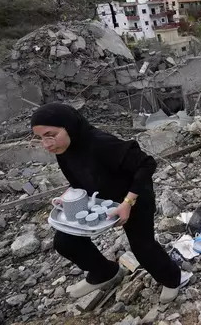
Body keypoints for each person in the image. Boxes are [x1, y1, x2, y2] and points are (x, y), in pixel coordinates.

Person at [31, 103, 182, 303]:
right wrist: (69, 195)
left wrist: (127, 202)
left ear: (68, 125)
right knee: (65, 241)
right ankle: (104, 272)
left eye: (50, 135)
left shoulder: (101, 143)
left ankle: (172, 279)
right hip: (99, 200)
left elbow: (147, 164)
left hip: (134, 196)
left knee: (143, 248)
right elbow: (78, 179)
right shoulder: (64, 148)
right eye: (41, 138)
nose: (47, 144)